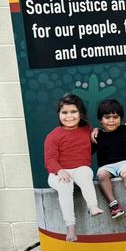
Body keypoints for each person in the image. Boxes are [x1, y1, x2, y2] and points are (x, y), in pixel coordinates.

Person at [43, 94, 103, 242]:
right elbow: (50, 160)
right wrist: (59, 170)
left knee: (85, 172)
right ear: (59, 114)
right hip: (58, 172)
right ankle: (70, 227)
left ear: (80, 113)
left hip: (79, 169)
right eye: (64, 112)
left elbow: (93, 137)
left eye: (73, 112)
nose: (69, 116)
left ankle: (93, 206)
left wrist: (95, 130)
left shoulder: (86, 130)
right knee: (66, 184)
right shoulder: (53, 136)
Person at [93, 98, 126, 219]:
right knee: (101, 175)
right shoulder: (97, 135)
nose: (111, 120)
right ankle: (113, 205)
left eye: (115, 117)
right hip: (106, 166)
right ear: (100, 120)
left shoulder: (125, 130)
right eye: (107, 117)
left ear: (121, 119)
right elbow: (88, 151)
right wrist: (92, 131)